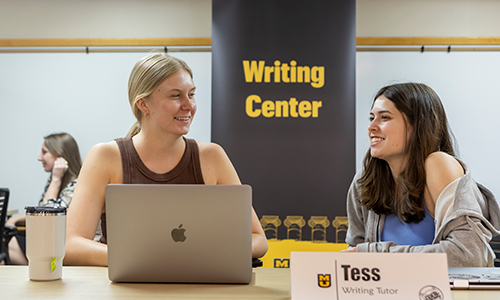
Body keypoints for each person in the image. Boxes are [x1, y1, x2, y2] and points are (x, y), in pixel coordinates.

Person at [64, 53, 269, 266]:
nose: (189, 105)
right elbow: (70, 245)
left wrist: (208, 254)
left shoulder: (212, 157)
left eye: (191, 94)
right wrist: (147, 260)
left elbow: (258, 239)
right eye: (175, 96)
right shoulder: (105, 157)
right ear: (143, 104)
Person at [343, 82, 500, 267]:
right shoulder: (364, 181)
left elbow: (469, 255)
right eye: (371, 118)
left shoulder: (438, 164)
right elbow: (356, 260)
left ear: (418, 124)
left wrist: (375, 253)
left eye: (384, 117)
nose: (371, 127)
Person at [6, 132, 82, 265]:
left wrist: (56, 179)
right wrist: (14, 219)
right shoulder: (55, 181)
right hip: (49, 241)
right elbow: (40, 208)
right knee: (7, 238)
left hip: (58, 246)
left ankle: (38, 269)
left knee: (6, 243)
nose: (39, 158)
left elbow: (46, 216)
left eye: (44, 152)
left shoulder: (76, 185)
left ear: (60, 156)